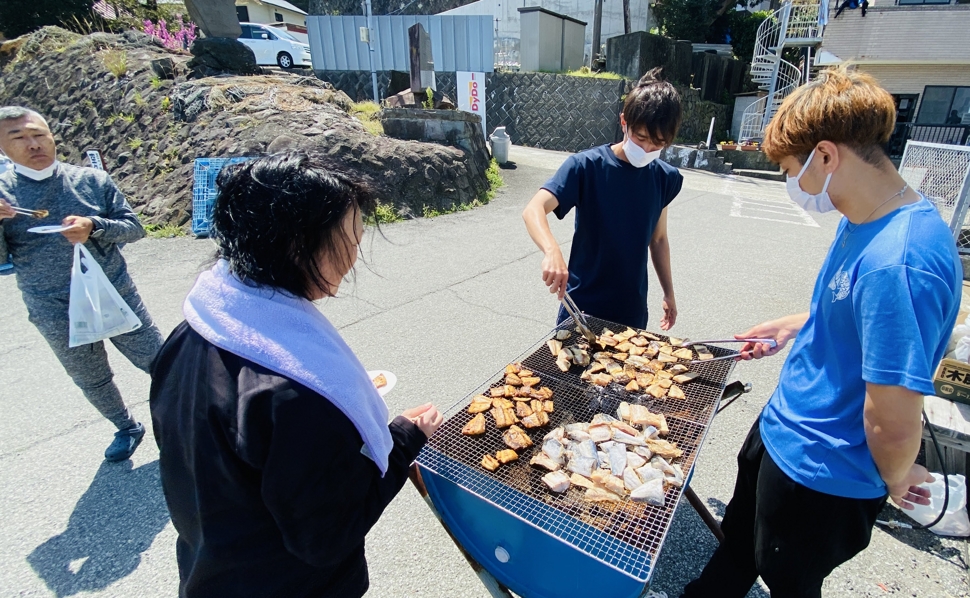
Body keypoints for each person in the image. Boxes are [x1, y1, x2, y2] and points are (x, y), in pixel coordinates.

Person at [681, 69, 961, 598]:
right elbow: (859, 319)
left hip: (822, 473)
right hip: (783, 431)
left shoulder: (899, 262)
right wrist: (800, 324)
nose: (794, 183)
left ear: (827, 156)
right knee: (738, 548)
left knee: (790, 581)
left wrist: (900, 479)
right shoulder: (865, 218)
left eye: (791, 168)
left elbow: (892, 421)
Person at [150, 152, 443, 597]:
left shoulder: (193, 329)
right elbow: (325, 536)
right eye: (351, 239)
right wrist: (403, 439)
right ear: (296, 244)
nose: (355, 256)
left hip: (210, 569)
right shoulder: (292, 397)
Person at [0, 106, 163, 461]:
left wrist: (94, 226)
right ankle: (125, 426)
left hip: (115, 293)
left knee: (163, 360)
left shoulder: (91, 180)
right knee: (91, 375)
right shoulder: (3, 196)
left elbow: (134, 229)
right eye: (19, 138)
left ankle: (189, 420)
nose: (33, 144)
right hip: (52, 305)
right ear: (2, 147)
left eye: (39, 134)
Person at [522, 67, 684, 331]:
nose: (646, 149)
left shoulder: (664, 177)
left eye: (657, 144)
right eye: (640, 137)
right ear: (624, 122)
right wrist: (552, 250)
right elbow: (534, 209)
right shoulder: (586, 166)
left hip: (631, 309)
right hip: (581, 306)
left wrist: (668, 293)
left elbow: (658, 238)